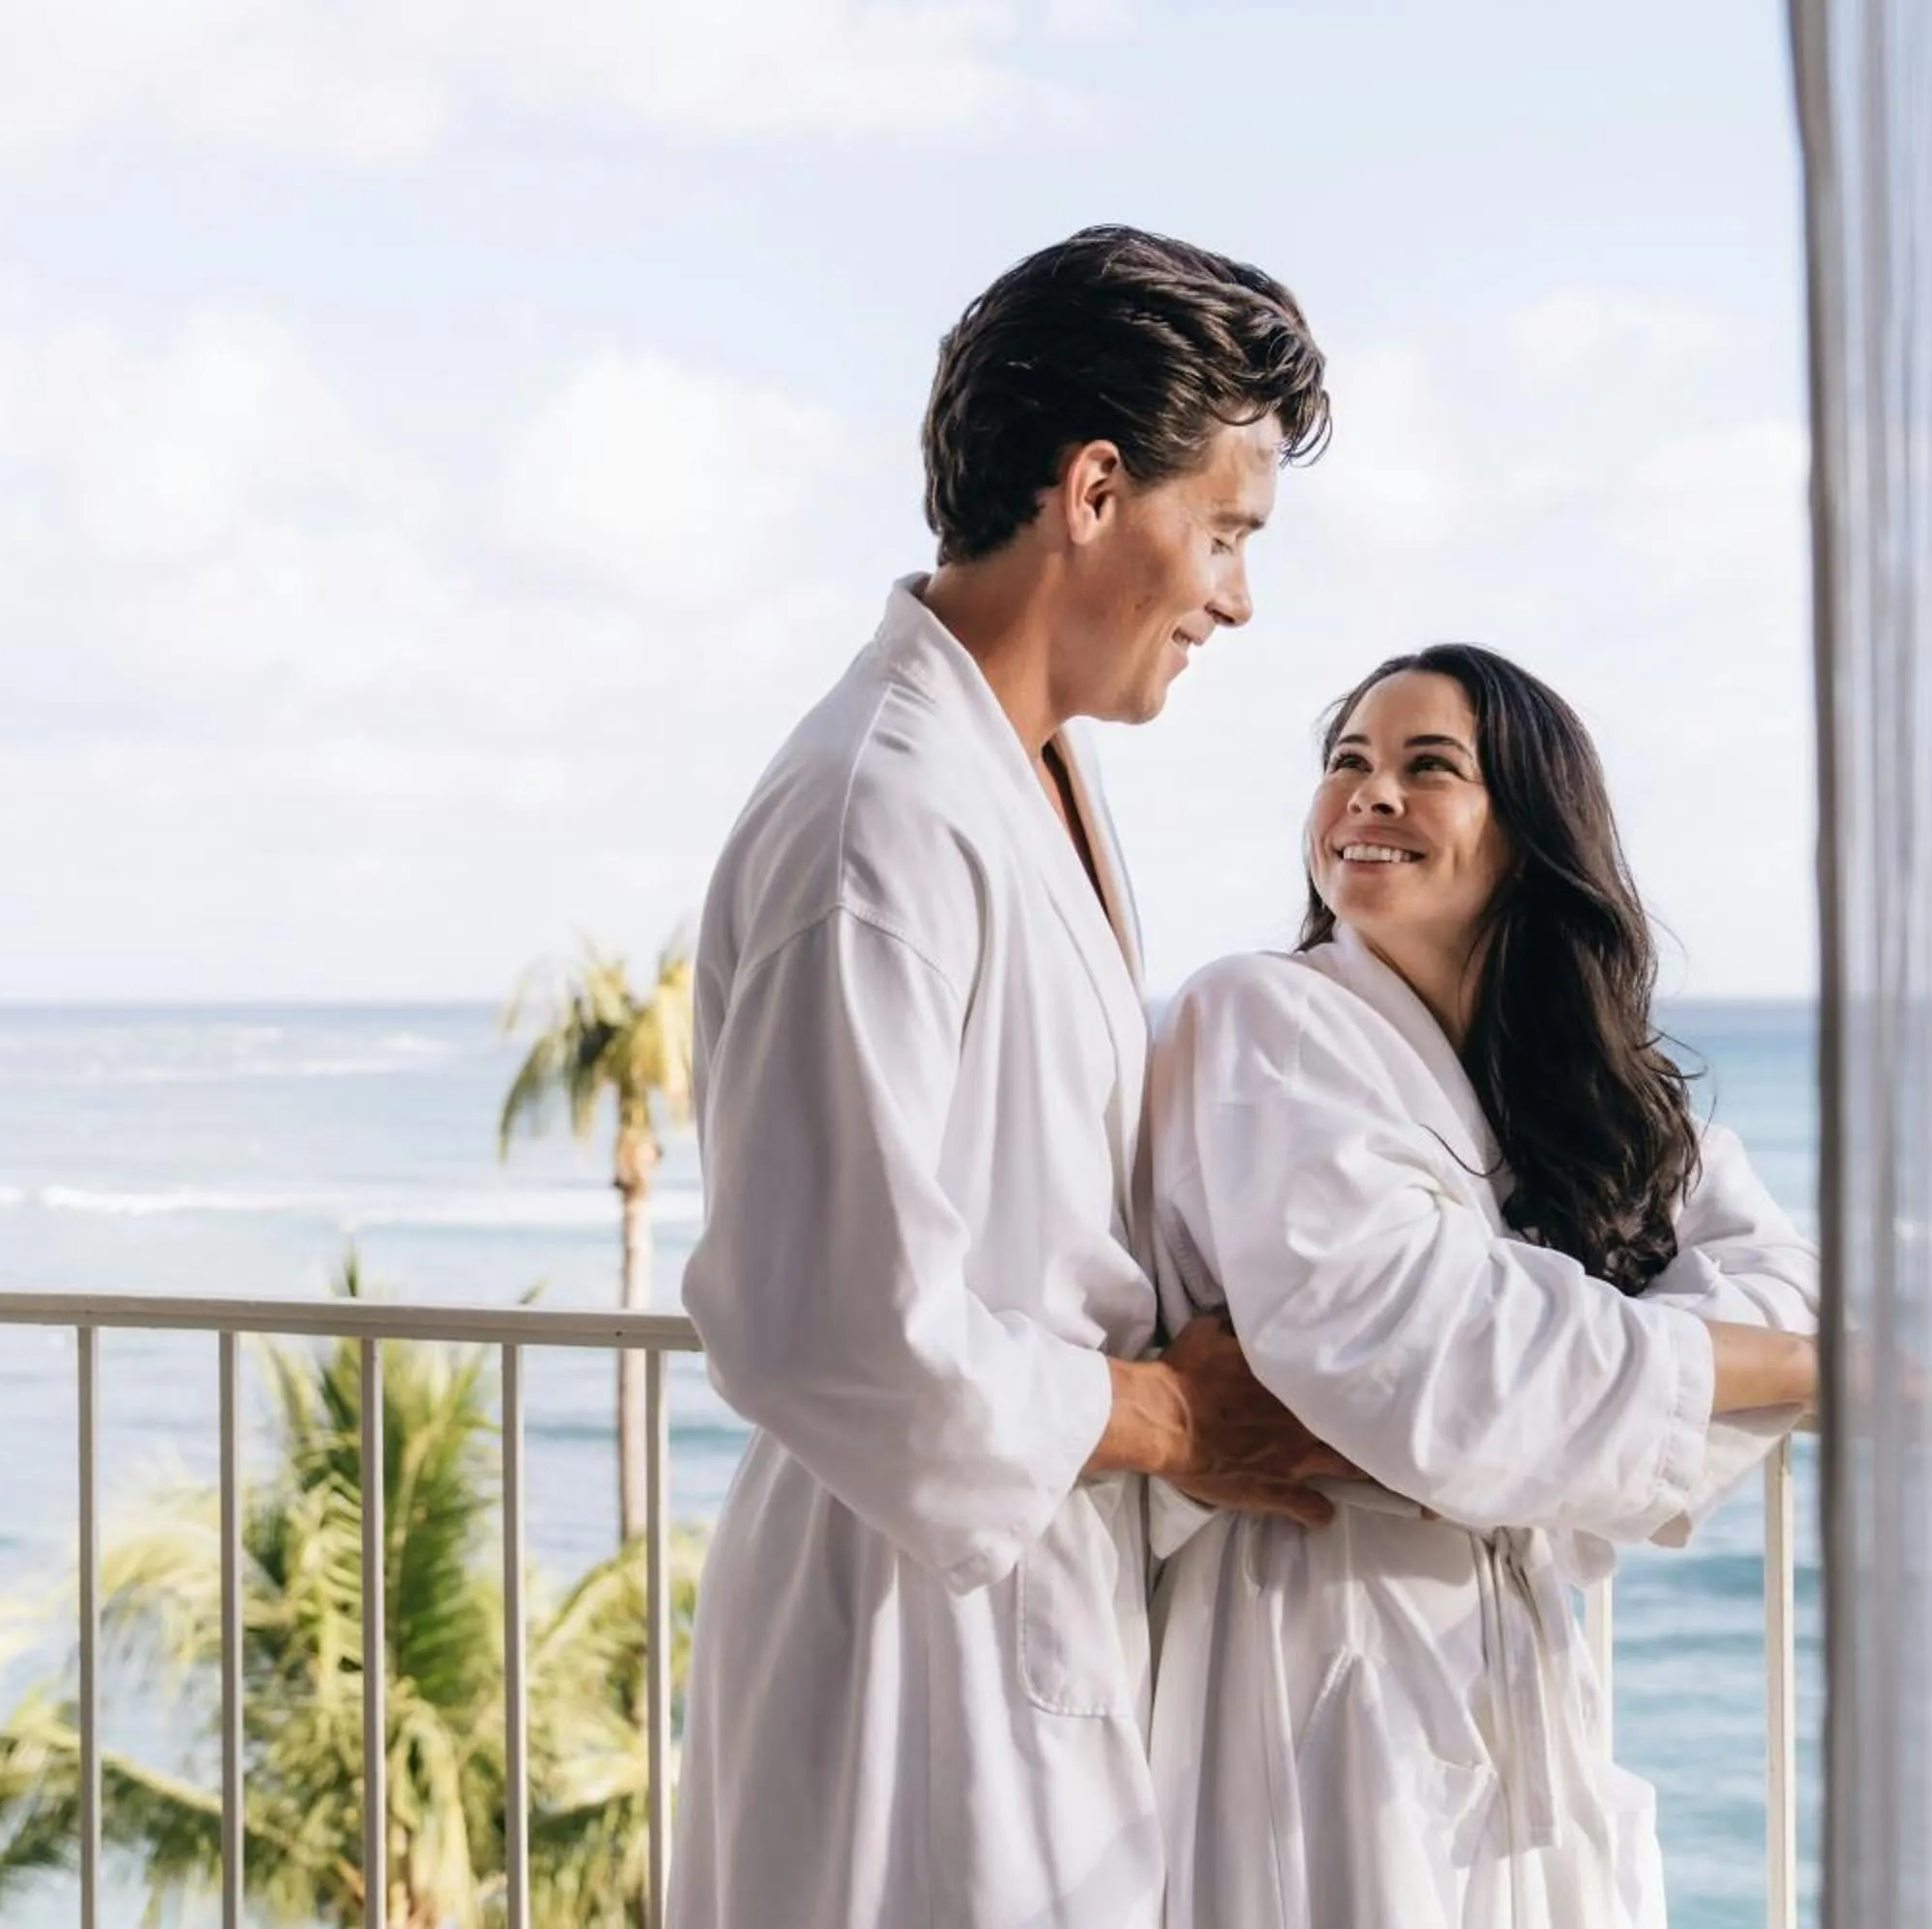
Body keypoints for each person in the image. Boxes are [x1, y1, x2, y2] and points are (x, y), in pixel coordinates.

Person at [666, 227, 1339, 1928]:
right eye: (1229, 530)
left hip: (1025, 1596)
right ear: (1097, 490)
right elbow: (827, 1318)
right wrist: (1174, 1415)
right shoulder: (877, 814)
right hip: (906, 1643)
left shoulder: (1016, 772)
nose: (1240, 598)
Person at [1146, 645, 1821, 1928]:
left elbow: (1781, 1276)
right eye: (1347, 762)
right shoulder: (1261, 1020)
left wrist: (1553, 1401)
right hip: (1313, 1636)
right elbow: (1435, 1352)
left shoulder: (1583, 1097)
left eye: (1426, 768)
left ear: (1530, 832)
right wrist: (1789, 1375)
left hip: (1507, 1647)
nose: (1369, 794)